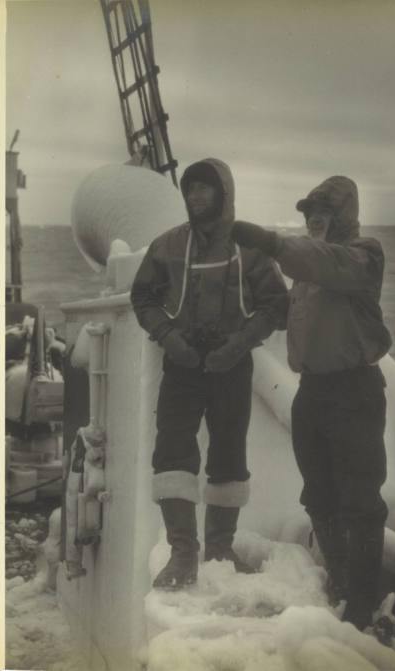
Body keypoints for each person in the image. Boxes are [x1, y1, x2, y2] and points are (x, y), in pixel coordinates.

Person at [231, 175, 392, 635]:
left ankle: (363, 611)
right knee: (319, 496)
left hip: (354, 392)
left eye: (322, 211)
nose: (312, 219)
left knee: (361, 503)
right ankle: (341, 585)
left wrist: (270, 241)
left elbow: (325, 263)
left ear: (344, 215)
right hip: (313, 394)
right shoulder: (308, 270)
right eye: (307, 212)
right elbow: (284, 309)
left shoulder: (364, 255)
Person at [131, 158, 288, 591]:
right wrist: (168, 336)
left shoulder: (248, 247)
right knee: (172, 451)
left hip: (232, 367)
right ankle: (184, 552)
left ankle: (221, 546)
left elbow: (277, 304)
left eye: (205, 188)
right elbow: (142, 296)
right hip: (181, 367)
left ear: (224, 193)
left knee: (229, 453)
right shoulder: (167, 246)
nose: (196, 196)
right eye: (190, 189)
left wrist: (238, 344)